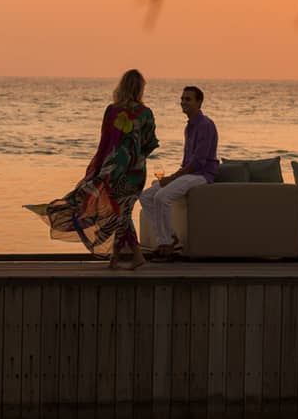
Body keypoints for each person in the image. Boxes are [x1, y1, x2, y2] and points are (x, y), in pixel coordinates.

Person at [28, 69, 159, 269]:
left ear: (122, 86)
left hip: (113, 170)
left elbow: (105, 143)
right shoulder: (145, 113)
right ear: (140, 88)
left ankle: (131, 256)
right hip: (136, 173)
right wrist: (135, 157)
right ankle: (122, 258)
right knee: (122, 212)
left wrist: (97, 168)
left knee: (118, 212)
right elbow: (150, 144)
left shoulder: (113, 110)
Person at [139, 85, 217, 260]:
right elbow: (187, 162)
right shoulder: (189, 126)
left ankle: (166, 244)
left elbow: (198, 163)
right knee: (145, 196)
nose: (183, 102)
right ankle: (170, 238)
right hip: (189, 173)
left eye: (188, 99)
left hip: (202, 175)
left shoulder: (205, 125)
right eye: (182, 99)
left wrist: (173, 178)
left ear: (199, 102)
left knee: (161, 197)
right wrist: (173, 177)